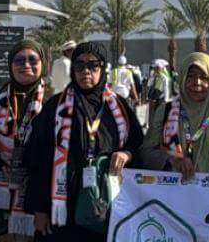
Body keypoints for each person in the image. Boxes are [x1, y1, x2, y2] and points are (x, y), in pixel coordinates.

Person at [24, 41, 143, 241]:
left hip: (106, 202)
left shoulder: (119, 108)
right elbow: (38, 159)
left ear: (103, 68)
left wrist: (127, 154)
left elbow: (138, 145)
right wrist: (40, 209)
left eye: (93, 66)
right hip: (62, 206)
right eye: (79, 66)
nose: (85, 71)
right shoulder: (55, 107)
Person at [0, 39, 49, 241]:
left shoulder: (54, 100)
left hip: (34, 194)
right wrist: (0, 160)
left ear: (43, 63)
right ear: (10, 65)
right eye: (19, 60)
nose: (26, 65)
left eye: (32, 59)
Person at [139, 52, 209, 177]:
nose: (197, 82)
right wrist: (171, 159)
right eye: (191, 76)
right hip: (174, 192)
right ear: (182, 78)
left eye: (204, 77)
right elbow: (145, 153)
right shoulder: (165, 111)